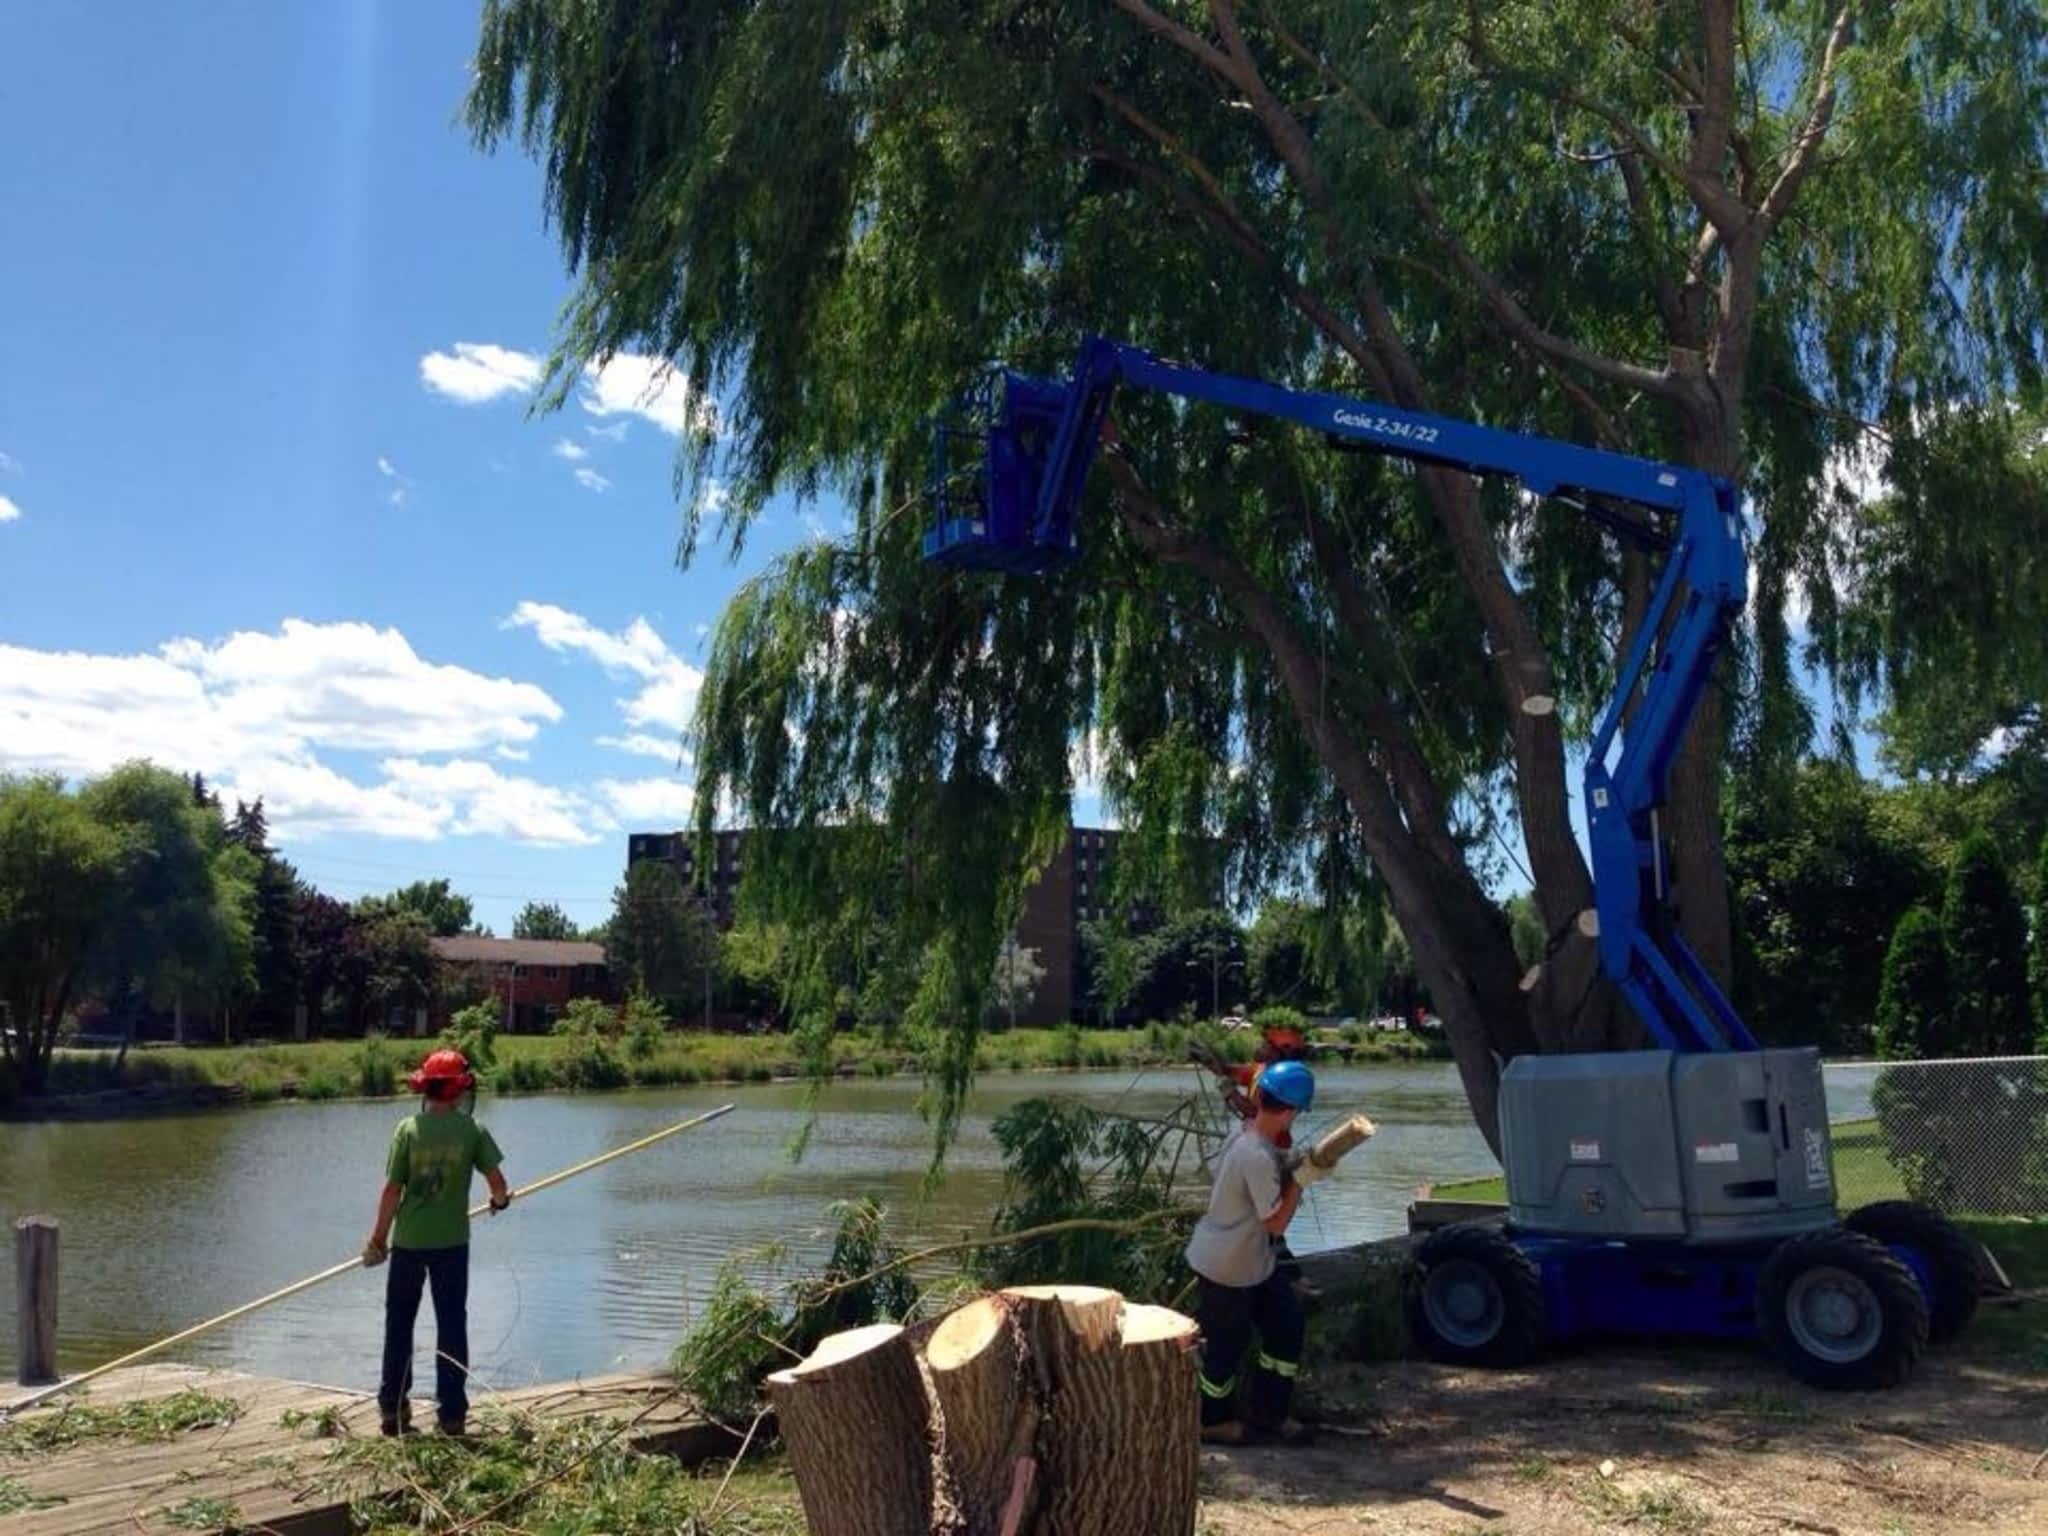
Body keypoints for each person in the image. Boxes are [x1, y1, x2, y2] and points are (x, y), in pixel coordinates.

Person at [361, 1047, 511, 1437]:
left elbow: (392, 1190)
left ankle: (392, 1410)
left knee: (399, 1323)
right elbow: (497, 1184)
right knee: (451, 1324)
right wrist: (498, 1203)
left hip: (408, 1244)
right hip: (451, 1245)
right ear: (459, 1091)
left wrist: (379, 1238)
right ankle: (452, 1415)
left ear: (426, 1089)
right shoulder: (472, 1131)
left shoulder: (407, 1129)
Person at [1185, 1059, 1316, 1446]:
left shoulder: (1249, 1137)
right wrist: (1302, 1182)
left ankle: (1269, 1412)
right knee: (1226, 1346)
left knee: (1287, 1325)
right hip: (1227, 1266)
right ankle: (1210, 1420)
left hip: (1254, 1263)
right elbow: (1275, 1223)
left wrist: (1291, 1166)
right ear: (1291, 1111)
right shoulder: (1255, 1155)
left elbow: (1272, 1165)